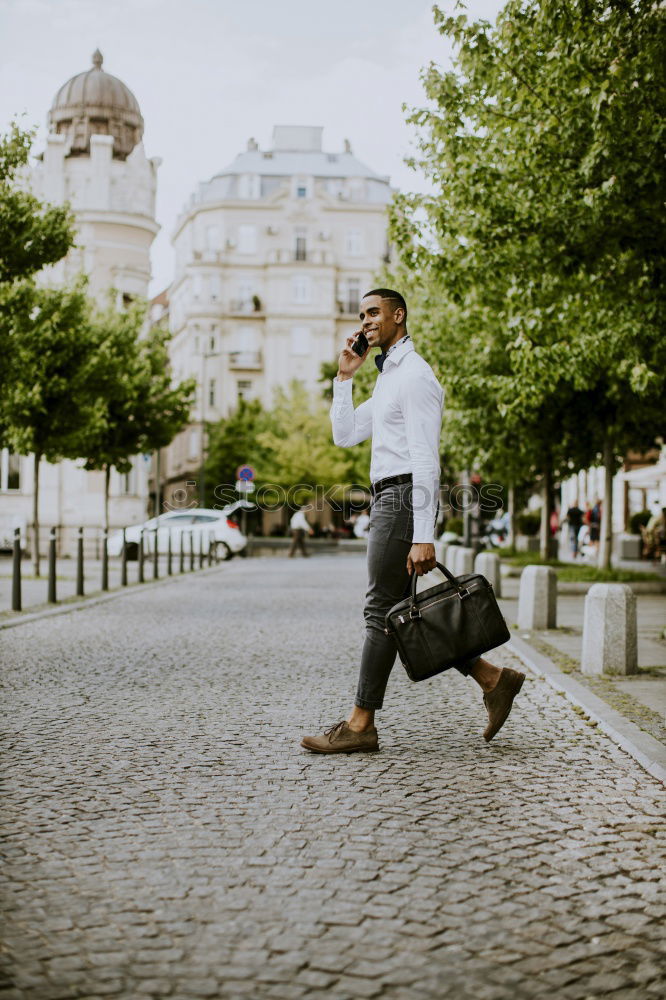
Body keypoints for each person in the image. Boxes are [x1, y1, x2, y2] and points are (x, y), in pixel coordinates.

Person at [301, 289, 524, 754]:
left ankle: (360, 724)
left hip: (403, 497)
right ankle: (493, 679)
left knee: (379, 611)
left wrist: (425, 534)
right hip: (389, 497)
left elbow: (427, 460)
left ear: (398, 316)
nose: (365, 322)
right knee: (401, 613)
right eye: (361, 315)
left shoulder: (416, 375)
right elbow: (344, 436)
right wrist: (345, 377)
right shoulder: (387, 378)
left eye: (374, 313)